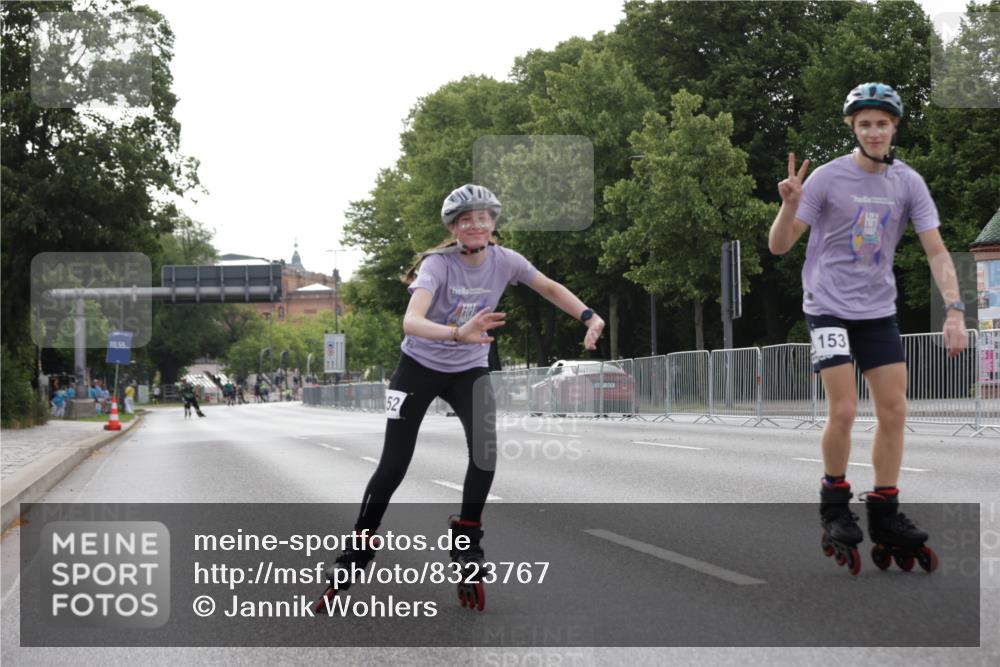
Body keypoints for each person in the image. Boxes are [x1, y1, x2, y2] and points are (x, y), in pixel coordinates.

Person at [317, 184, 605, 612]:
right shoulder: (437, 265)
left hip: (469, 368)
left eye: (483, 218)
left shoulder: (506, 261)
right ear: (453, 228)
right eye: (465, 220)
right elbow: (411, 322)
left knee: (485, 451)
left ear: (493, 225)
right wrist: (458, 332)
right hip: (418, 367)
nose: (475, 225)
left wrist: (588, 315)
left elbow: (548, 287)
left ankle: (467, 538)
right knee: (394, 465)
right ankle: (359, 545)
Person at [768, 82, 967, 574]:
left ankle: (885, 511)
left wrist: (955, 310)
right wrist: (790, 203)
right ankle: (835, 505)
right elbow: (779, 245)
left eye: (882, 123)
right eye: (865, 124)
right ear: (852, 129)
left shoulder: (908, 183)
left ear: (894, 127)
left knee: (896, 409)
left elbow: (936, 250)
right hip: (828, 305)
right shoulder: (828, 179)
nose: (874, 132)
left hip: (877, 309)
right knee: (844, 408)